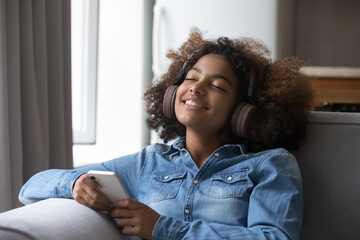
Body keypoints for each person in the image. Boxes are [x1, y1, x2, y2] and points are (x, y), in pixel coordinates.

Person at [19, 28, 313, 240]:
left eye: (217, 85)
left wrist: (163, 229)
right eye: (191, 78)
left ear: (243, 109)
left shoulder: (271, 164)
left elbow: (272, 238)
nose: (196, 88)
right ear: (173, 92)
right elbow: (31, 188)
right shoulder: (148, 163)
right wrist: (74, 183)